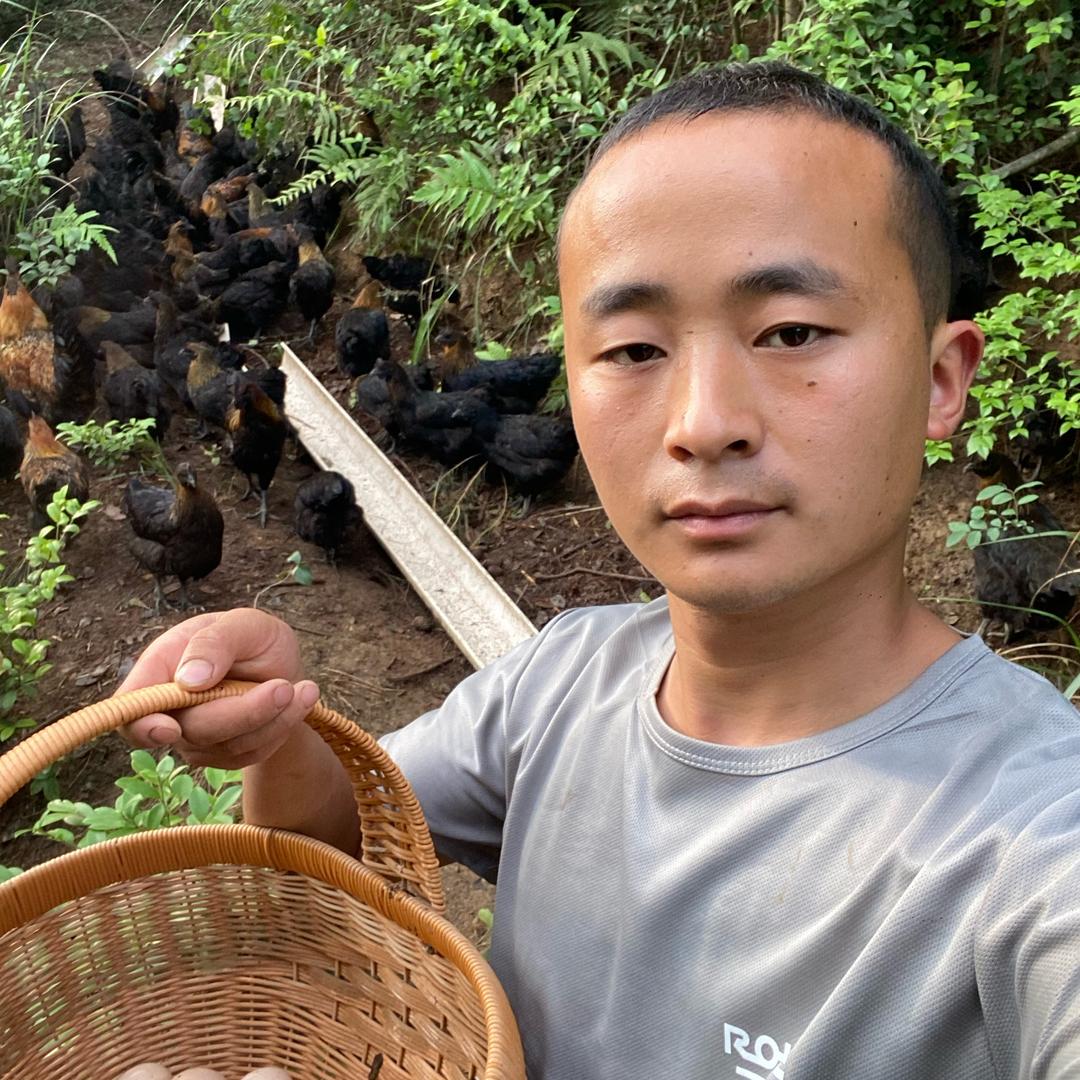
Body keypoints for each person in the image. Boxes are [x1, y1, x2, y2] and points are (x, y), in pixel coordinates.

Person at [118, 62, 1080, 1079]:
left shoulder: (1029, 837)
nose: (706, 423)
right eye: (631, 349)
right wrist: (280, 726)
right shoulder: (559, 684)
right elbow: (333, 850)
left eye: (792, 332)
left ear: (940, 382)